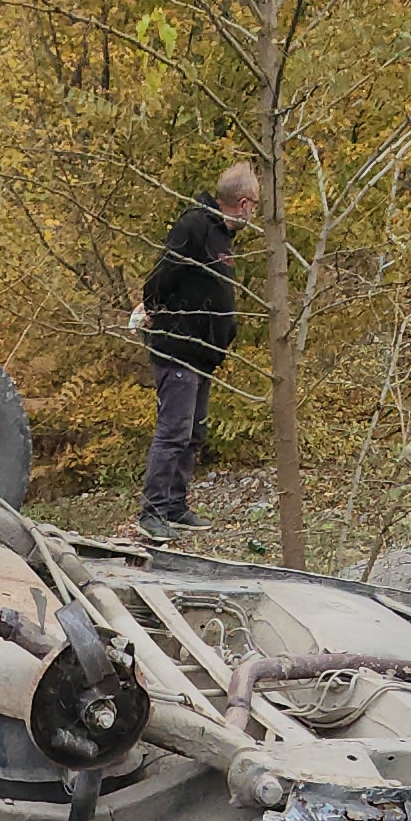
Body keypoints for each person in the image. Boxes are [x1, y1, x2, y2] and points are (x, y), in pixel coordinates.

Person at [130, 162, 259, 541]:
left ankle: (175, 505)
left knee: (193, 432)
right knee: (174, 431)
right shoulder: (196, 226)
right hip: (178, 348)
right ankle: (152, 513)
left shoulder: (221, 237)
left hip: (202, 354)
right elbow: (161, 276)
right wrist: (153, 310)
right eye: (254, 206)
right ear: (245, 203)